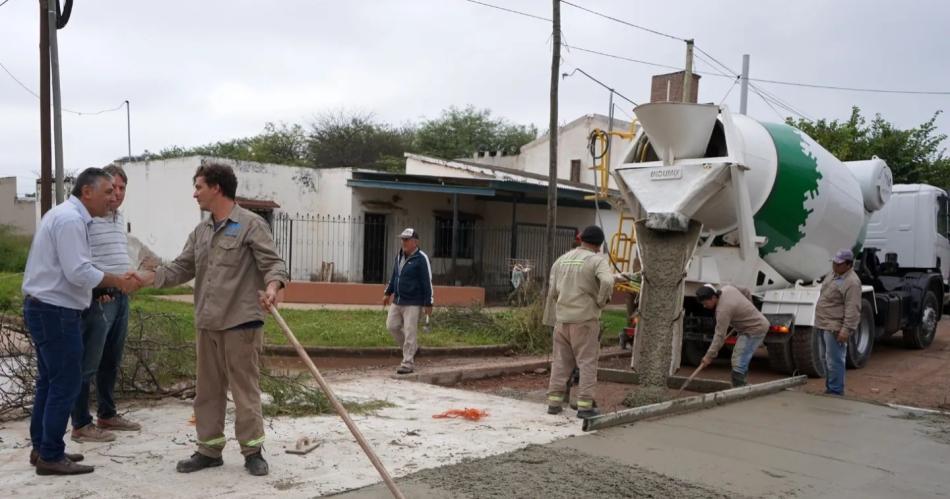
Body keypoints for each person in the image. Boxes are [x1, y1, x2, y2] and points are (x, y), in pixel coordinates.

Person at [134, 162, 288, 476]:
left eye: (199, 187)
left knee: (245, 392)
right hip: (207, 324)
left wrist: (273, 287)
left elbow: (273, 265)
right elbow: (180, 268)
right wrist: (145, 278)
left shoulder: (250, 225)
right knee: (207, 392)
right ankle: (209, 449)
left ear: (216, 188)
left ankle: (253, 451)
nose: (195, 194)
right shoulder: (200, 231)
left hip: (241, 323)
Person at [22, 167, 140, 475]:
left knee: (50, 381)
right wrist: (117, 281)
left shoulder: (68, 216)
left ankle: (43, 448)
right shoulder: (71, 220)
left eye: (116, 192)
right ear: (86, 192)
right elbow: (79, 272)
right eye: (107, 192)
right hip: (55, 312)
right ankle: (51, 455)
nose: (112, 197)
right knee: (66, 381)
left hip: (49, 309)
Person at [70, 165, 141, 444]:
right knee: (88, 362)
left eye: (122, 189)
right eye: (112, 189)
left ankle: (107, 414)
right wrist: (96, 291)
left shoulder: (117, 217)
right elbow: (81, 261)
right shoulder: (88, 218)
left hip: (120, 297)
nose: (117, 194)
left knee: (111, 359)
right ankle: (80, 423)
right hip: (100, 297)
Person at [543, 225, 615, 419]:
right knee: (587, 363)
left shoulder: (562, 259)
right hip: (584, 320)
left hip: (562, 320)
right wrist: (601, 301)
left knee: (560, 362)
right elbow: (608, 282)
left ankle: (554, 403)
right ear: (599, 245)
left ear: (580, 239)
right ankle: (585, 406)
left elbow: (553, 291)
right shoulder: (597, 260)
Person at [696, 284, 770, 387]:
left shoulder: (722, 310)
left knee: (738, 362)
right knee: (739, 359)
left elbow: (719, 336)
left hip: (755, 329)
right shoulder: (727, 288)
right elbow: (746, 290)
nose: (704, 306)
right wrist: (747, 309)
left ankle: (740, 389)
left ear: (713, 297)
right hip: (752, 326)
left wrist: (709, 356)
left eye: (705, 303)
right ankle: (741, 387)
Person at [382, 228, 433, 375]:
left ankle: (408, 363)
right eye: (402, 239)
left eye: (406, 239)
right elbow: (394, 276)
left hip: (413, 302)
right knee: (392, 326)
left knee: (410, 332)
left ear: (415, 242)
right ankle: (412, 349)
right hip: (398, 300)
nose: (403, 242)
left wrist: (429, 302)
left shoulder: (421, 258)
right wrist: (388, 292)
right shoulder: (399, 256)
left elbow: (427, 281)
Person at [815, 249, 862, 396]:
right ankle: (830, 387)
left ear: (848, 264)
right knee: (826, 358)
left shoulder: (852, 282)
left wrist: (846, 329)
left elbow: (852, 308)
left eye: (839, 264)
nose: (835, 266)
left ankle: (835, 390)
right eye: (834, 263)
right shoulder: (833, 275)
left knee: (834, 360)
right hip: (823, 323)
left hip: (834, 326)